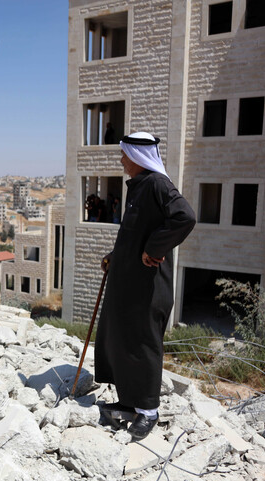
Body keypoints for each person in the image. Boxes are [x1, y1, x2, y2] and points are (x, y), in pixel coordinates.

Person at [94, 132, 196, 440]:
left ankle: (148, 411)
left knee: (145, 344)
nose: (122, 160)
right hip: (129, 284)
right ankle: (128, 402)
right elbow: (135, 232)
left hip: (149, 287)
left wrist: (155, 248)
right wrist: (117, 255)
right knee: (123, 339)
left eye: (125, 155)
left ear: (138, 158)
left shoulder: (157, 184)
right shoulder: (139, 188)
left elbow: (185, 218)